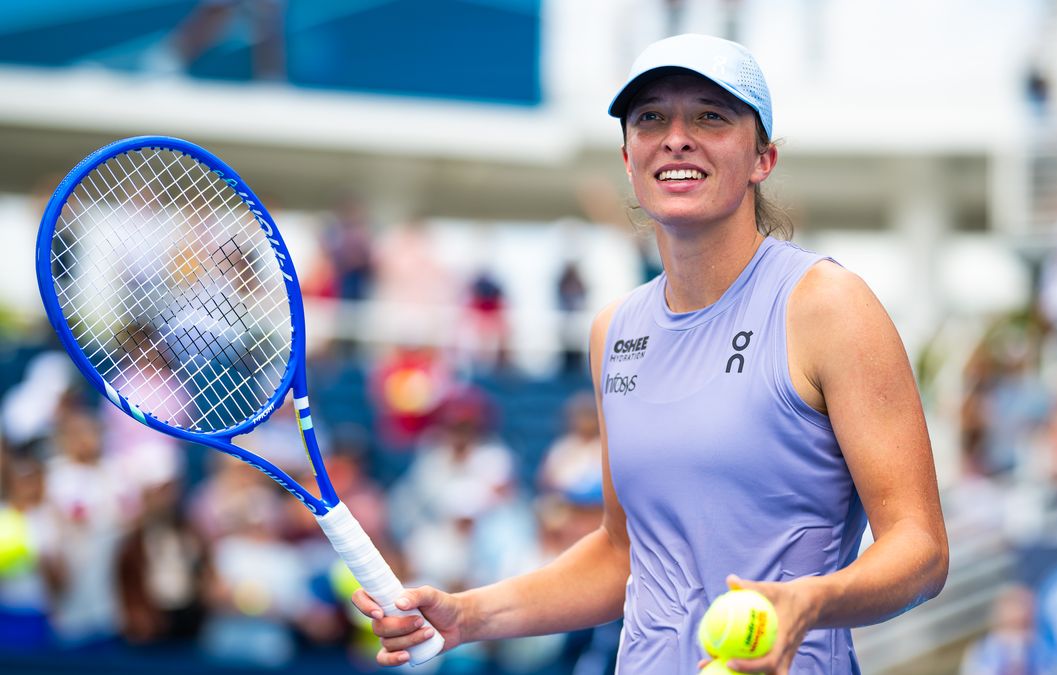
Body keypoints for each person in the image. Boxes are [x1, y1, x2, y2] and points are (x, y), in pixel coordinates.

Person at [354, 33, 948, 674]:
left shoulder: (829, 304)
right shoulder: (614, 330)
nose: (677, 137)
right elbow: (621, 552)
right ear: (629, 157)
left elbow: (921, 548)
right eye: (652, 118)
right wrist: (470, 615)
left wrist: (808, 600)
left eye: (711, 116)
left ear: (763, 158)